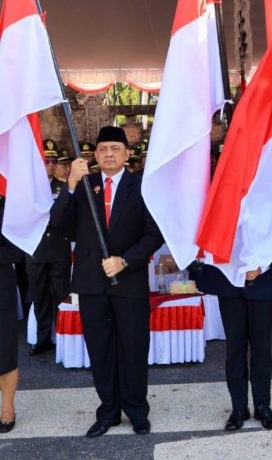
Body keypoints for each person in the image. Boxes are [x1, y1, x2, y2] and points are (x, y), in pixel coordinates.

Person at [50, 126, 163, 437]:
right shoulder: (85, 185)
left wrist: (124, 260)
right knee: (100, 349)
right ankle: (108, 411)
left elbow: (154, 233)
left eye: (115, 148)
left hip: (128, 280)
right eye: (103, 149)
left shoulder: (142, 186)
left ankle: (137, 410)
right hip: (90, 282)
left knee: (134, 347)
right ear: (94, 155)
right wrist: (71, 184)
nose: (109, 154)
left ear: (127, 154)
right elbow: (57, 223)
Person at [189, 240, 272, 432]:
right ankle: (238, 408)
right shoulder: (224, 206)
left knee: (261, 348)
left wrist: (262, 265)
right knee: (234, 348)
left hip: (261, 281)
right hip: (228, 280)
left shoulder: (269, 206)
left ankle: (262, 407)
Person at [26, 139, 72, 356]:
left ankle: (64, 337)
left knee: (61, 295)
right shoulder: (28, 189)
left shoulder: (63, 187)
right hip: (35, 249)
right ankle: (43, 339)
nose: (51, 165)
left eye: (54, 161)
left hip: (57, 248)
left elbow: (68, 216)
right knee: (40, 296)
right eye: (47, 161)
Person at [0, 195, 24, 433]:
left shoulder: (7, 206)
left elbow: (15, 252)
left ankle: (7, 407)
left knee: (4, 350)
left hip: (1, 286)